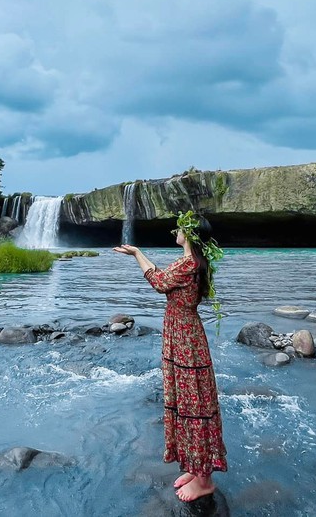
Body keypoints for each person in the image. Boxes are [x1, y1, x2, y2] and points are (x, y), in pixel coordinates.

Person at [113, 211, 228, 502]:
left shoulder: (189, 263)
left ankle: (204, 480)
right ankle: (194, 466)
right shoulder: (193, 262)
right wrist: (140, 254)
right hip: (183, 334)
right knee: (186, 401)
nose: (174, 232)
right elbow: (164, 276)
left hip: (186, 339)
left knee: (194, 404)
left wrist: (137, 253)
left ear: (188, 234)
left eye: (178, 229)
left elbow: (159, 282)